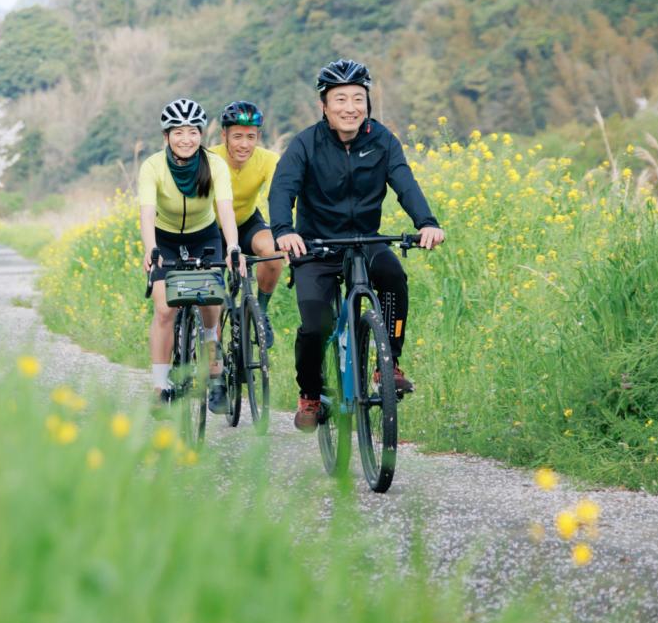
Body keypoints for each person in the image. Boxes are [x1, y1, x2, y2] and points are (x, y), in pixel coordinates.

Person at [269, 59, 445, 432]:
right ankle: (311, 394)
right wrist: (285, 230)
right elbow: (283, 188)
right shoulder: (305, 144)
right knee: (316, 325)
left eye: (358, 98)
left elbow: (404, 182)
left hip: (365, 242)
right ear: (324, 105)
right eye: (340, 99)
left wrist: (426, 223)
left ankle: (389, 364)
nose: (350, 107)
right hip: (316, 248)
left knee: (394, 276)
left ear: (368, 102)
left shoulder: (382, 140)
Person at [139, 98, 248, 409]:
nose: (186, 139)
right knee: (164, 310)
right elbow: (146, 212)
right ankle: (160, 387)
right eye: (178, 132)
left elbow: (225, 208)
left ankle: (215, 371)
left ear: (201, 134)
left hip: (205, 237)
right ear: (166, 137)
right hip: (165, 239)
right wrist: (151, 250)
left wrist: (233, 247)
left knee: (211, 303)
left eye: (192, 132)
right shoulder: (152, 166)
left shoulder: (214, 165)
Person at [216, 100, 282, 347]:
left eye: (251, 137)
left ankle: (261, 312)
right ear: (224, 135)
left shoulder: (268, 159)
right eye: (237, 137)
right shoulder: (210, 158)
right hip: (212, 227)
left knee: (274, 251)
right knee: (213, 295)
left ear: (258, 136)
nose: (244, 144)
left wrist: (287, 230)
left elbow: (280, 197)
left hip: (245, 221)